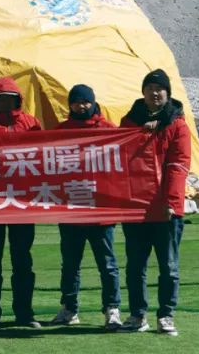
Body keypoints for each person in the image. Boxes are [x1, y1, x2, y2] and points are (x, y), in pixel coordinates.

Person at [118, 69, 191, 337]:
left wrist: (171, 201)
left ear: (168, 93)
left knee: (168, 266)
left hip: (166, 209)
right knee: (135, 265)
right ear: (143, 92)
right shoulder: (129, 122)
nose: (155, 92)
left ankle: (166, 315)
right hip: (136, 207)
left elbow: (178, 165)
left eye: (160, 88)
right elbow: (118, 158)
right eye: (150, 87)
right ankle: (138, 315)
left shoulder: (177, 125)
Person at [0, 76, 43, 330]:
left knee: (22, 260)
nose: (4, 102)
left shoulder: (31, 124)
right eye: (0, 98)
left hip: (23, 204)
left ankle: (24, 312)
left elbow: (44, 158)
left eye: (9, 98)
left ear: (17, 99)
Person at [50, 84, 123, 331]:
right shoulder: (60, 131)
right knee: (70, 264)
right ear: (69, 104)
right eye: (76, 102)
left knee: (108, 264)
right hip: (71, 210)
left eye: (85, 102)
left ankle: (112, 309)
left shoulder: (108, 130)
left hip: (101, 212)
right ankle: (69, 309)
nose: (81, 106)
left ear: (93, 103)